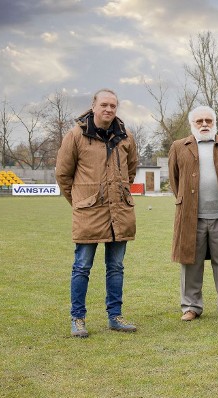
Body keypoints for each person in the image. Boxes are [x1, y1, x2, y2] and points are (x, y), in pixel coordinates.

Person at [55, 89, 138, 337]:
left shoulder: (126, 136)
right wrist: (81, 201)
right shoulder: (76, 135)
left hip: (120, 212)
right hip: (88, 213)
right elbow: (63, 175)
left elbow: (131, 171)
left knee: (116, 267)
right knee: (81, 267)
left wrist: (118, 194)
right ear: (93, 105)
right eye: (104, 104)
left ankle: (115, 316)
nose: (109, 109)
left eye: (113, 105)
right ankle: (78, 318)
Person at [168, 106, 218, 322]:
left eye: (208, 120)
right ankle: (191, 306)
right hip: (191, 217)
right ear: (192, 124)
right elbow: (175, 181)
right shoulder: (179, 146)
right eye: (199, 121)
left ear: (215, 122)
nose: (204, 124)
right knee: (190, 263)